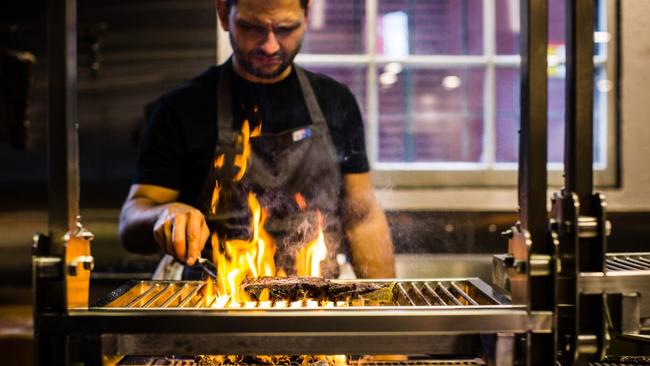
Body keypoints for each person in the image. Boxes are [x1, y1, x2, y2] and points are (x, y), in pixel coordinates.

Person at [119, 0, 395, 279]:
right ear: (224, 14)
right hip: (214, 305)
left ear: (307, 14)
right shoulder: (180, 109)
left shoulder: (336, 101)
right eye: (252, 28)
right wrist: (163, 215)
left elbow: (361, 217)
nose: (270, 46)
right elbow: (131, 222)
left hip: (315, 306)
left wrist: (387, 309)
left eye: (286, 29)